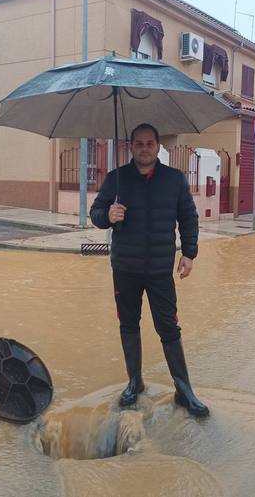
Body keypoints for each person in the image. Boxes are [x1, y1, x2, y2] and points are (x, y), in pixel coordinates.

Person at [90, 123, 209, 417]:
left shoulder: (175, 180)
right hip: (125, 268)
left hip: (159, 270)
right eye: (139, 144)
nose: (145, 149)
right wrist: (108, 215)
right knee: (128, 324)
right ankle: (135, 382)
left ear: (157, 147)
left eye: (150, 143)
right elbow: (95, 213)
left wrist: (189, 253)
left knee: (169, 327)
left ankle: (184, 391)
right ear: (132, 146)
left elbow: (189, 218)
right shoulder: (117, 180)